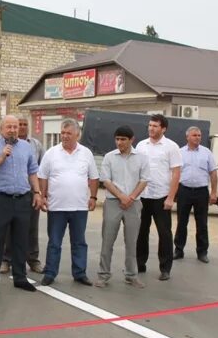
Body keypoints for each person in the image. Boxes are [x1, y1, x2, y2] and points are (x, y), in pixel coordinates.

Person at [0, 115, 44, 295]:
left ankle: (20, 277)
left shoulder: (26, 147)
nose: (13, 130)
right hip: (1, 200)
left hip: (23, 199)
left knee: (21, 241)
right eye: (9, 127)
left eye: (15, 127)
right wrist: (1, 157)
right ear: (1, 129)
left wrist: (37, 192)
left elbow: (32, 171)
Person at [38, 118, 99, 286]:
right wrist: (42, 196)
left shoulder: (86, 153)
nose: (64, 136)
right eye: (62, 133)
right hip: (56, 206)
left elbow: (93, 177)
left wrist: (93, 197)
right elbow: (42, 176)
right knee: (54, 242)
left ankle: (79, 273)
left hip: (79, 207)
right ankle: (50, 273)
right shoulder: (51, 153)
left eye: (68, 133)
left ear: (77, 135)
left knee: (79, 242)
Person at [95, 125, 149, 288]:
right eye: (117, 139)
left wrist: (131, 197)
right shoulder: (110, 157)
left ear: (131, 140)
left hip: (133, 203)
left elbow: (144, 179)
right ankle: (103, 274)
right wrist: (121, 196)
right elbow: (106, 180)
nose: (119, 142)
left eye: (123, 139)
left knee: (132, 241)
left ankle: (131, 275)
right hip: (113, 202)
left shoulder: (141, 158)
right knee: (107, 240)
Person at [135, 114, 182, 281]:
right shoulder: (141, 145)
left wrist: (171, 197)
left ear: (163, 129)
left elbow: (176, 173)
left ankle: (165, 268)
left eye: (155, 126)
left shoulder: (171, 147)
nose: (151, 129)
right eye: (150, 125)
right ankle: (140, 263)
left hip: (161, 196)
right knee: (141, 231)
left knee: (164, 233)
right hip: (143, 195)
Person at [1, 115, 45, 274]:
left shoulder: (36, 145)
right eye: (20, 124)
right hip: (12, 193)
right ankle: (6, 260)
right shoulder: (3, 144)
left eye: (25, 124)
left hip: (31, 192)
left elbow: (40, 170)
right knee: (9, 228)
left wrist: (39, 192)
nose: (22, 127)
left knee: (32, 228)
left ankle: (33, 260)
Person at [173, 126, 218, 264]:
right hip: (184, 191)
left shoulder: (207, 153)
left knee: (202, 223)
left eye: (199, 135)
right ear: (187, 137)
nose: (197, 137)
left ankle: (202, 252)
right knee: (182, 222)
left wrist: (214, 192)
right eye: (194, 135)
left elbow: (213, 173)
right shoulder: (179, 153)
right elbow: (175, 174)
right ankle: (178, 250)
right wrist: (173, 192)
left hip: (201, 192)